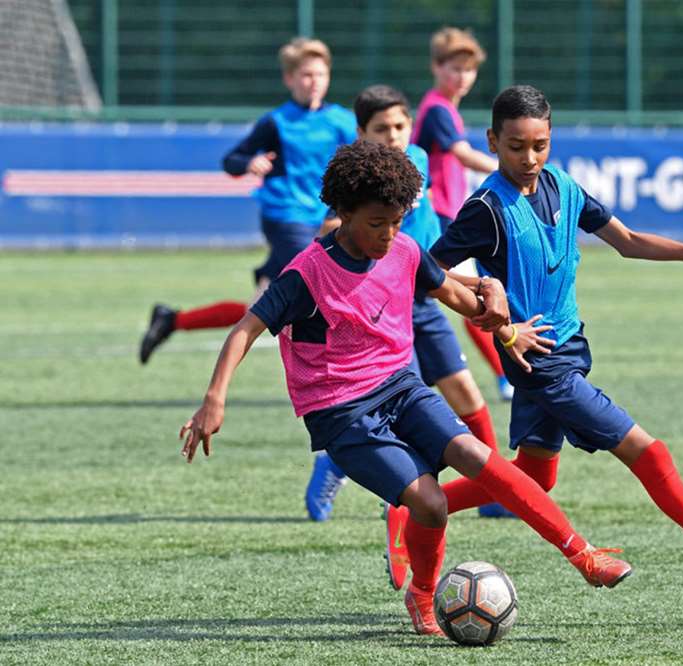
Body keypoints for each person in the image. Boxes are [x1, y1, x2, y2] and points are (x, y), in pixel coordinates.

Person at [178, 141, 633, 637]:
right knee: (431, 504)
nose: (388, 235)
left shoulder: (406, 250)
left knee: (483, 459)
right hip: (342, 410)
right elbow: (245, 329)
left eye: (397, 222)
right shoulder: (308, 272)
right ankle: (423, 593)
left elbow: (459, 295)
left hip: (400, 386)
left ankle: (583, 555)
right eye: (377, 224)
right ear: (345, 213)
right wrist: (213, 400)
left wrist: (498, 308)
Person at [386, 85, 683, 606]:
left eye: (539, 144)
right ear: (493, 141)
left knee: (535, 476)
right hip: (543, 366)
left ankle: (410, 509)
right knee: (651, 455)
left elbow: (627, 242)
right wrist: (501, 324)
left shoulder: (563, 186)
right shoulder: (486, 209)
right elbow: (427, 273)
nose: (529, 157)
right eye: (516, 146)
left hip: (569, 349)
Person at [138, 37, 356, 521]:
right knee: (303, 304)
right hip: (287, 220)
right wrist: (250, 164)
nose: (312, 81)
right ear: (289, 78)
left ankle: (173, 320)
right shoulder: (277, 122)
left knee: (264, 308)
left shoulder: (342, 121)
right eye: (303, 74)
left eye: (319, 74)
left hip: (327, 218)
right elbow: (232, 160)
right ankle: (330, 392)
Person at [316, 83, 514, 523]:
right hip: (380, 310)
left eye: (400, 126)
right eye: (381, 128)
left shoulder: (419, 162)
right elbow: (328, 231)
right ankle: (341, 473)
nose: (393, 136)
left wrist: (451, 275)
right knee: (399, 412)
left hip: (423, 296)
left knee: (465, 391)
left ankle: (492, 491)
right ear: (360, 133)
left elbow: (424, 240)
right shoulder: (352, 178)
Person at [412, 26, 514, 401]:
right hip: (437, 215)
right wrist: (507, 168)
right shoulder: (437, 108)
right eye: (454, 68)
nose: (462, 76)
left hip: (446, 213)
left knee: (461, 295)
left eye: (468, 70)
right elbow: (459, 153)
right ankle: (505, 374)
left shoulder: (445, 108)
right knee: (473, 295)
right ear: (437, 68)